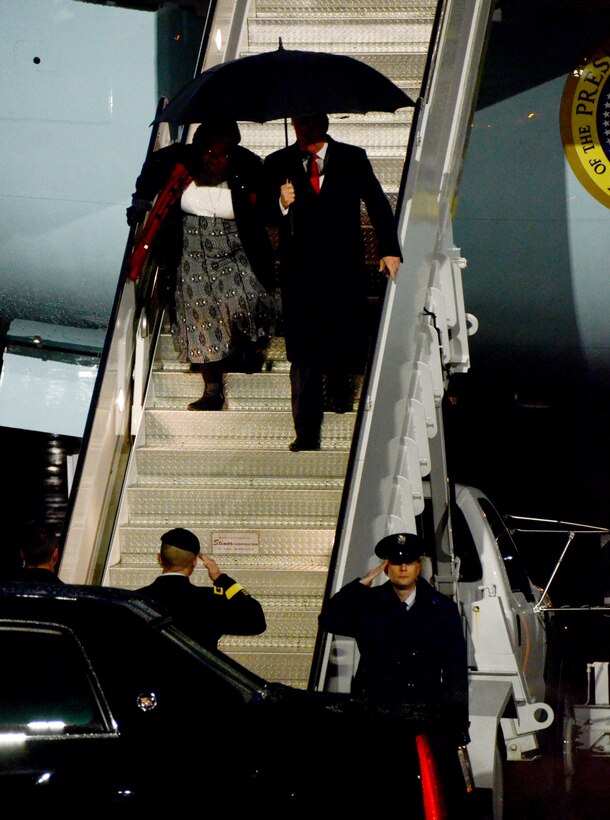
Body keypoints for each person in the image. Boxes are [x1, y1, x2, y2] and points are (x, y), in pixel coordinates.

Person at [262, 114, 401, 451]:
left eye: (310, 123)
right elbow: (262, 215)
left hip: (342, 268)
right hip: (300, 273)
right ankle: (306, 432)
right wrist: (281, 203)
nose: (303, 129)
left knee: (341, 336)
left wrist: (389, 249)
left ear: (323, 124)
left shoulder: (352, 157)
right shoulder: (278, 162)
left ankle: (339, 391)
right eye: (298, 123)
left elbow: (377, 203)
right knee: (303, 353)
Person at [128, 120, 277, 410]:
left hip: (236, 244)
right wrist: (141, 200)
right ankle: (212, 390)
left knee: (249, 299)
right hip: (191, 248)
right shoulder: (175, 159)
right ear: (198, 148)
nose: (217, 159)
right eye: (211, 152)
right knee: (201, 319)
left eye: (225, 153)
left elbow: (268, 206)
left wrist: (280, 201)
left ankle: (246, 348)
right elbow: (149, 176)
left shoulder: (248, 163)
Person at [136, 527, 266, 650]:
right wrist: (221, 579)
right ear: (194, 562)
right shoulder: (211, 600)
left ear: (159, 559)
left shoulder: (135, 601)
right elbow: (256, 621)